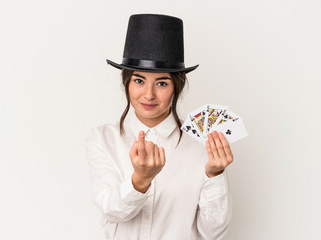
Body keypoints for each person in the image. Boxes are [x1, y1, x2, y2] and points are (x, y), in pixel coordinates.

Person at [85, 13, 233, 240]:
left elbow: (212, 233)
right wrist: (140, 180)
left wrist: (214, 174)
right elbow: (110, 210)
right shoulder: (103, 138)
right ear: (126, 82)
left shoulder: (202, 143)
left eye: (162, 83)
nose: (148, 94)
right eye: (139, 80)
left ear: (177, 87)